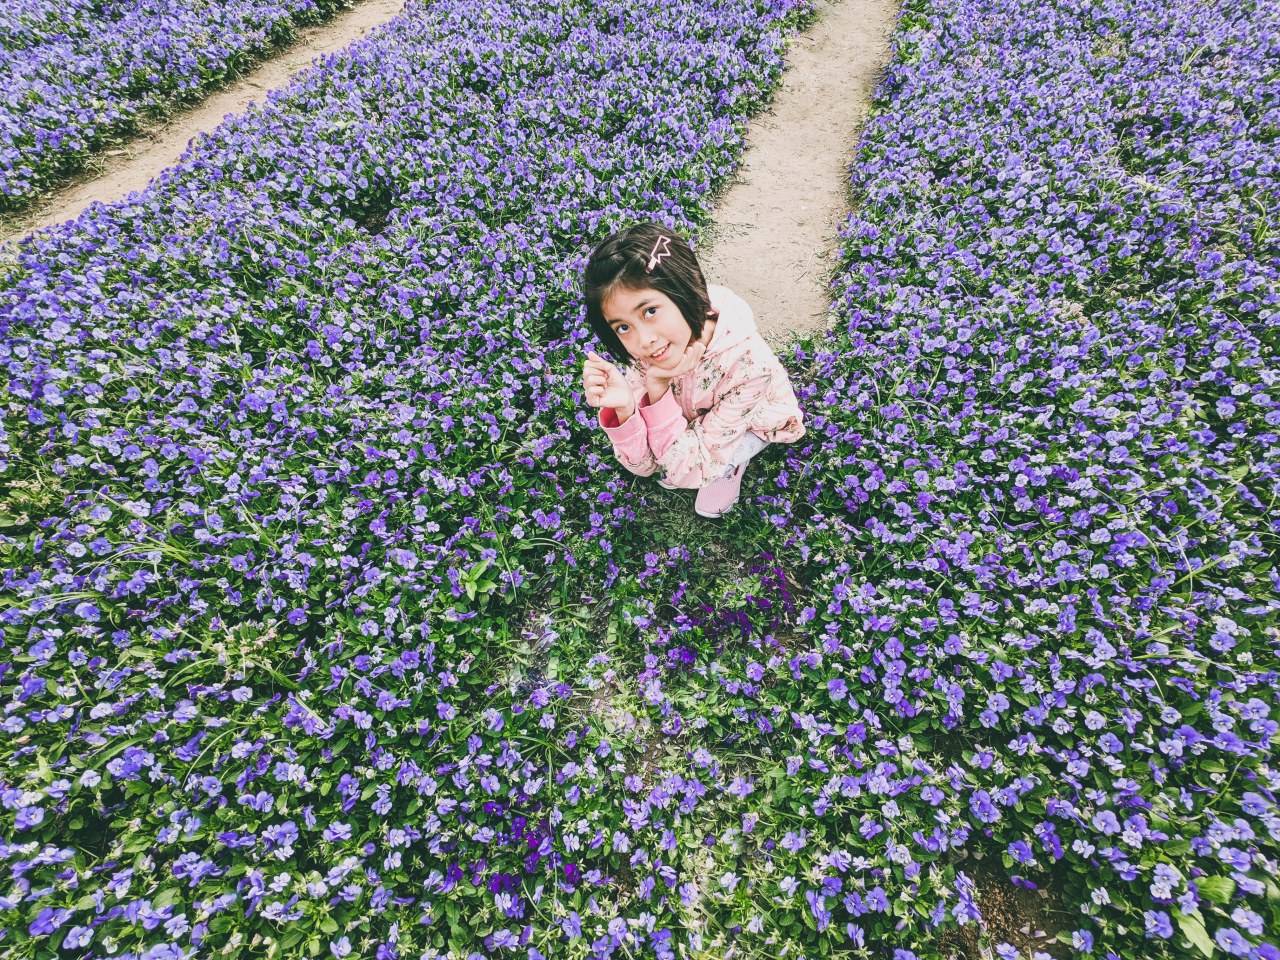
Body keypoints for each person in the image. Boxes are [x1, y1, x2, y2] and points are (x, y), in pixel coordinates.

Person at [579, 220, 805, 518]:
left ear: (684, 290)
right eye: (622, 327)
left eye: (650, 311)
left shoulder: (750, 365)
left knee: (693, 464)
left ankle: (732, 462)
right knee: (669, 463)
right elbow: (645, 467)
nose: (644, 340)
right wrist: (626, 408)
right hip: (689, 415)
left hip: (751, 422)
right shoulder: (647, 350)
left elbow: (689, 469)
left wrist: (657, 395)